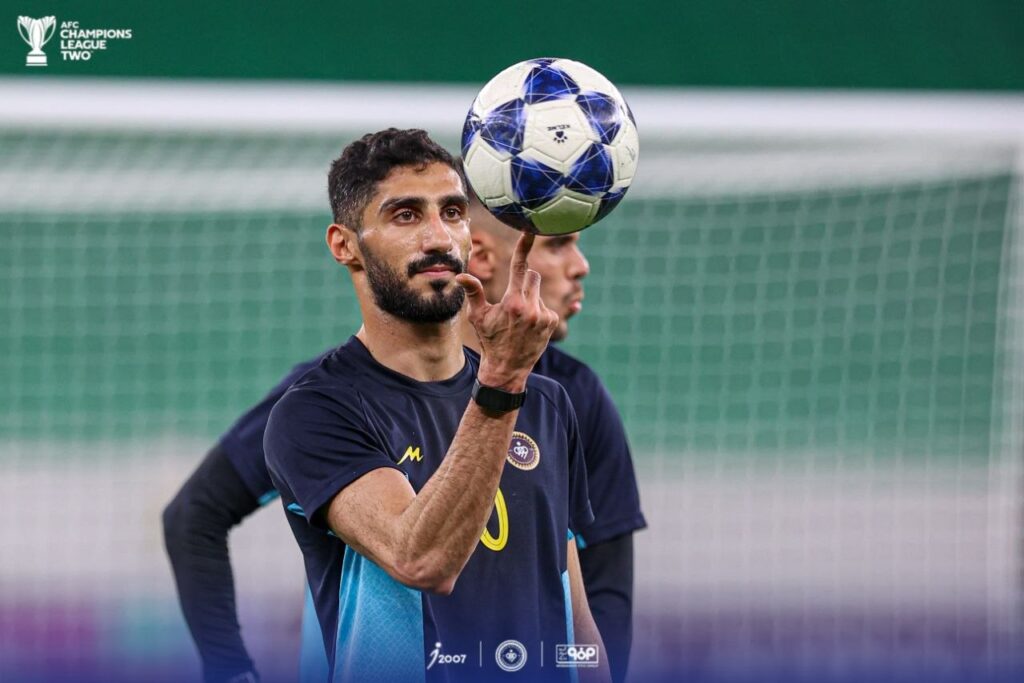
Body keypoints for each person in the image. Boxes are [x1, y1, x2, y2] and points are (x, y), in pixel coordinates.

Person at [163, 140, 643, 682]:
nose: (438, 236)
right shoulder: (315, 410)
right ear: (344, 245)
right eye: (406, 215)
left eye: (453, 212)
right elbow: (422, 560)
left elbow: (576, 616)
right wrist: (229, 670)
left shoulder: (551, 400)